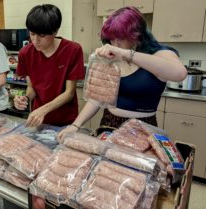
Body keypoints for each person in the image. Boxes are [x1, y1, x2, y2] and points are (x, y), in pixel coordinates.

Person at [58, 6, 187, 139]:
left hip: (143, 128)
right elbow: (97, 98)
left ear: (136, 34)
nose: (115, 43)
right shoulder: (112, 57)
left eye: (120, 37)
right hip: (109, 123)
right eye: (111, 38)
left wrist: (126, 54)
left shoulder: (160, 53)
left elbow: (179, 74)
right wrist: (75, 125)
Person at [13, 4, 84, 127]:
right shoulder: (25, 53)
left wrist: (44, 110)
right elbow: (31, 87)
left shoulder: (73, 50)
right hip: (38, 120)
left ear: (55, 31)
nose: (35, 41)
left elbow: (69, 93)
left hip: (65, 120)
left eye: (42, 35)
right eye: (32, 34)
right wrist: (25, 98)